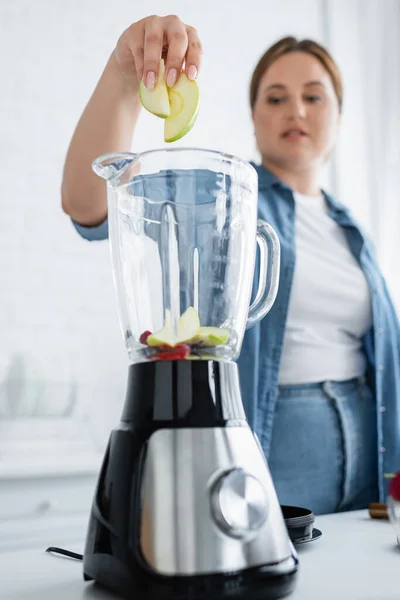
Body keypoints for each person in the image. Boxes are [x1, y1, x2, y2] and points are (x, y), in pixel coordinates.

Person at [61, 15, 400, 515]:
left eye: (314, 96)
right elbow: (88, 202)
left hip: (368, 447)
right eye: (276, 97)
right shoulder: (224, 197)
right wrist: (125, 76)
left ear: (339, 115)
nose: (296, 111)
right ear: (254, 115)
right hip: (272, 443)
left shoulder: (354, 233)